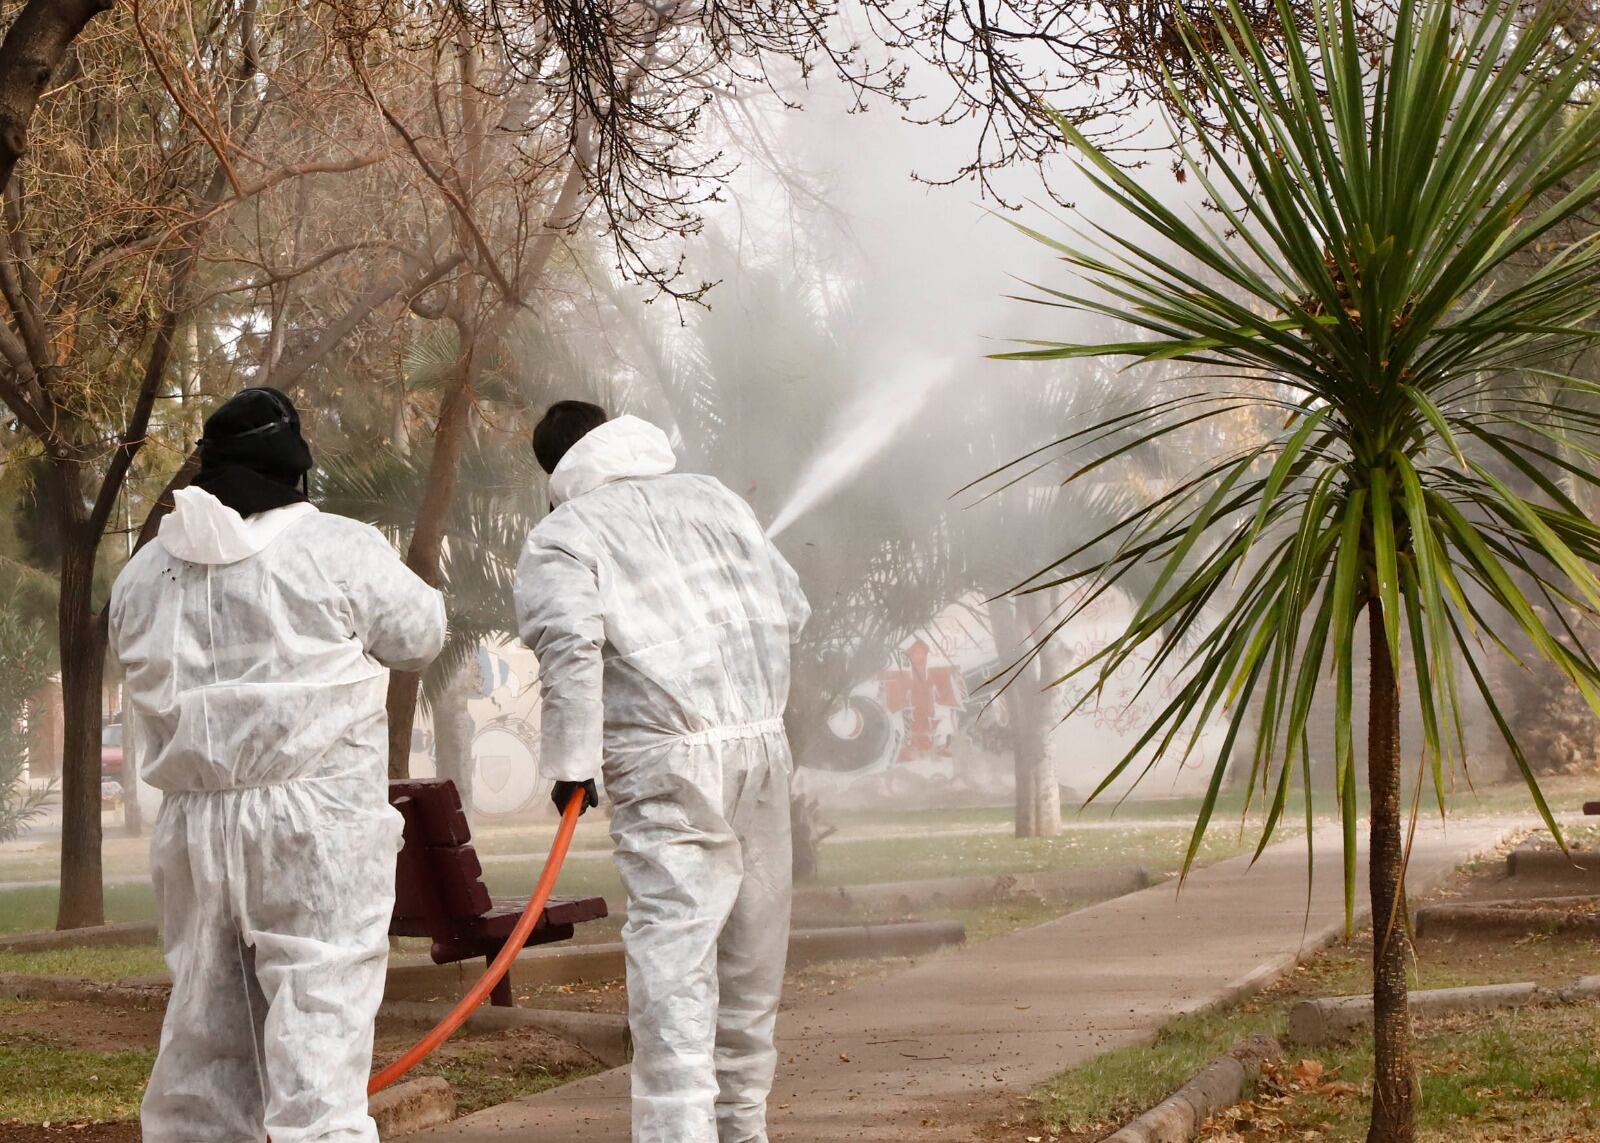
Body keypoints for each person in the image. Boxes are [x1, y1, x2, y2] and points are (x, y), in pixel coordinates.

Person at [110, 387, 446, 1143]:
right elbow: (420, 634)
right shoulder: (338, 549)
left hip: (194, 830)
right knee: (318, 1064)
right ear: (295, 470)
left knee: (205, 1060)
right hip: (315, 829)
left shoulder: (141, 576)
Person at [516, 402, 809, 1143]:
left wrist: (573, 765)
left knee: (675, 968)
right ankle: (745, 1129)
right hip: (761, 748)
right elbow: (793, 607)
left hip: (664, 763)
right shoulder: (716, 497)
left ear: (554, 471)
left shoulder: (566, 533)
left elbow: (570, 648)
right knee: (752, 960)